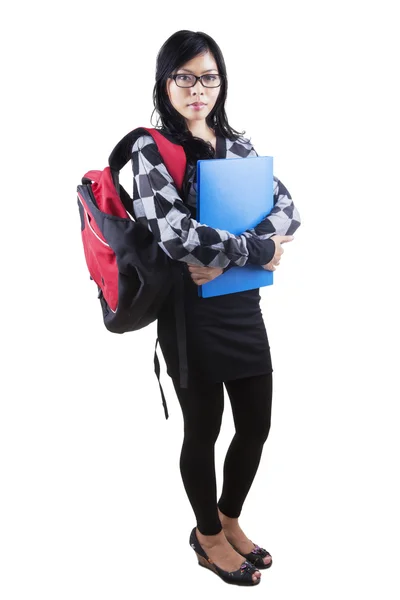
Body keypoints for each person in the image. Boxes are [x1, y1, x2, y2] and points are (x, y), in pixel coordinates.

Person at [131, 30, 301, 586]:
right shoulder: (149, 149)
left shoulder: (238, 146)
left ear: (221, 82)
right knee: (202, 429)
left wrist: (235, 256)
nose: (197, 89)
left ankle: (229, 519)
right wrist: (258, 250)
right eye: (184, 77)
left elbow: (287, 210)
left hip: (239, 306)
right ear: (166, 83)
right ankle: (206, 535)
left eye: (208, 77)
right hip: (188, 313)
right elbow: (176, 234)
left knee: (256, 424)